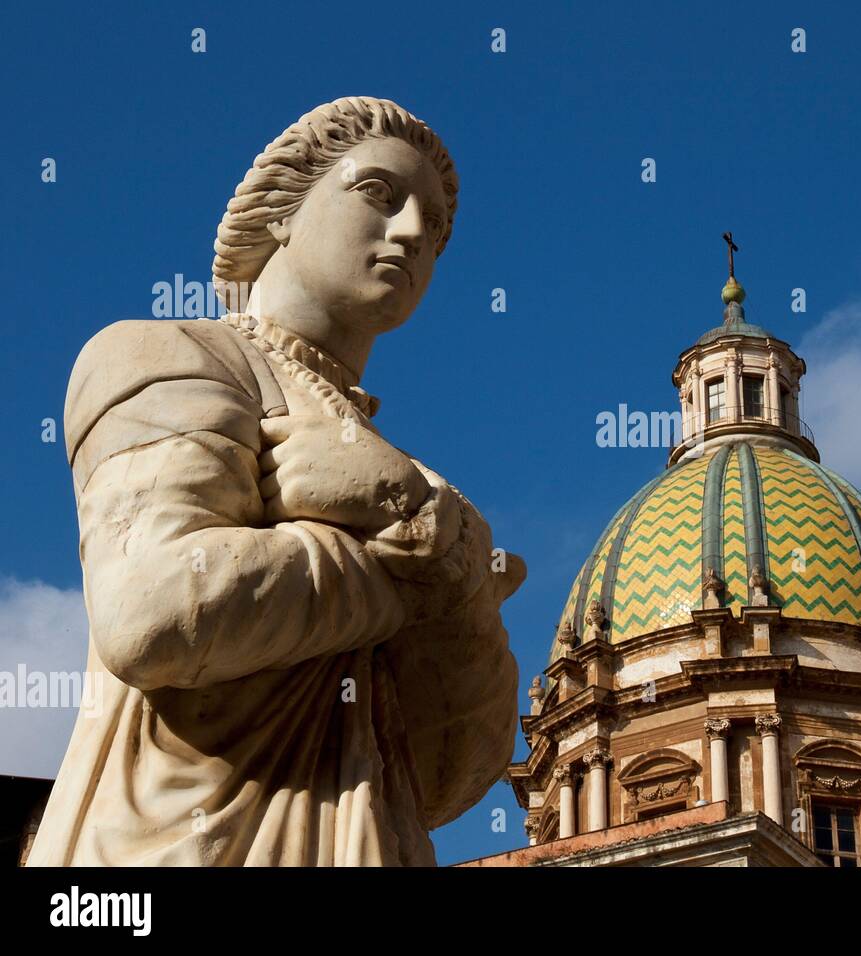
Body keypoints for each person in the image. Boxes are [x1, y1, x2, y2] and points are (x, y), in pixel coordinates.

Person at [28, 96, 523, 866]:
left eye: (435, 230)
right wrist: (418, 565)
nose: (412, 234)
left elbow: (451, 775)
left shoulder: (398, 478)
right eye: (379, 195)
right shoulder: (163, 355)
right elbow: (154, 612)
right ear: (283, 211)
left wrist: (422, 527)